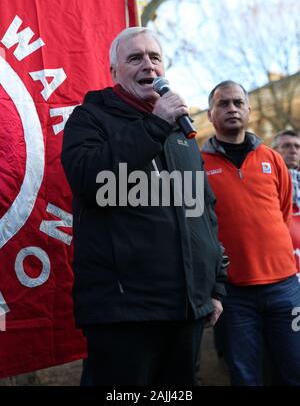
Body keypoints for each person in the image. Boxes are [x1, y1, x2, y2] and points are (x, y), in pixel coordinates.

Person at [61, 27, 227, 386]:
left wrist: (215, 287)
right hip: (125, 314)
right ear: (114, 71)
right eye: (135, 58)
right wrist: (155, 125)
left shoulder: (181, 132)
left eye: (154, 57)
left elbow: (204, 212)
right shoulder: (89, 119)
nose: (147, 65)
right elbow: (91, 180)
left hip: (186, 311)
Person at [201, 80, 300, 386]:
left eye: (238, 103)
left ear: (249, 110)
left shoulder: (272, 159)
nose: (232, 108)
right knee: (245, 376)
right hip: (234, 294)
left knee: (294, 369)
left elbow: (283, 211)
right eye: (223, 103)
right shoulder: (196, 166)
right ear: (210, 114)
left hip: (285, 288)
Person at [272, 130, 300, 280]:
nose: (293, 150)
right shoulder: (267, 181)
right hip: (282, 267)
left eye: (297, 146)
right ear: (274, 151)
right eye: (287, 146)